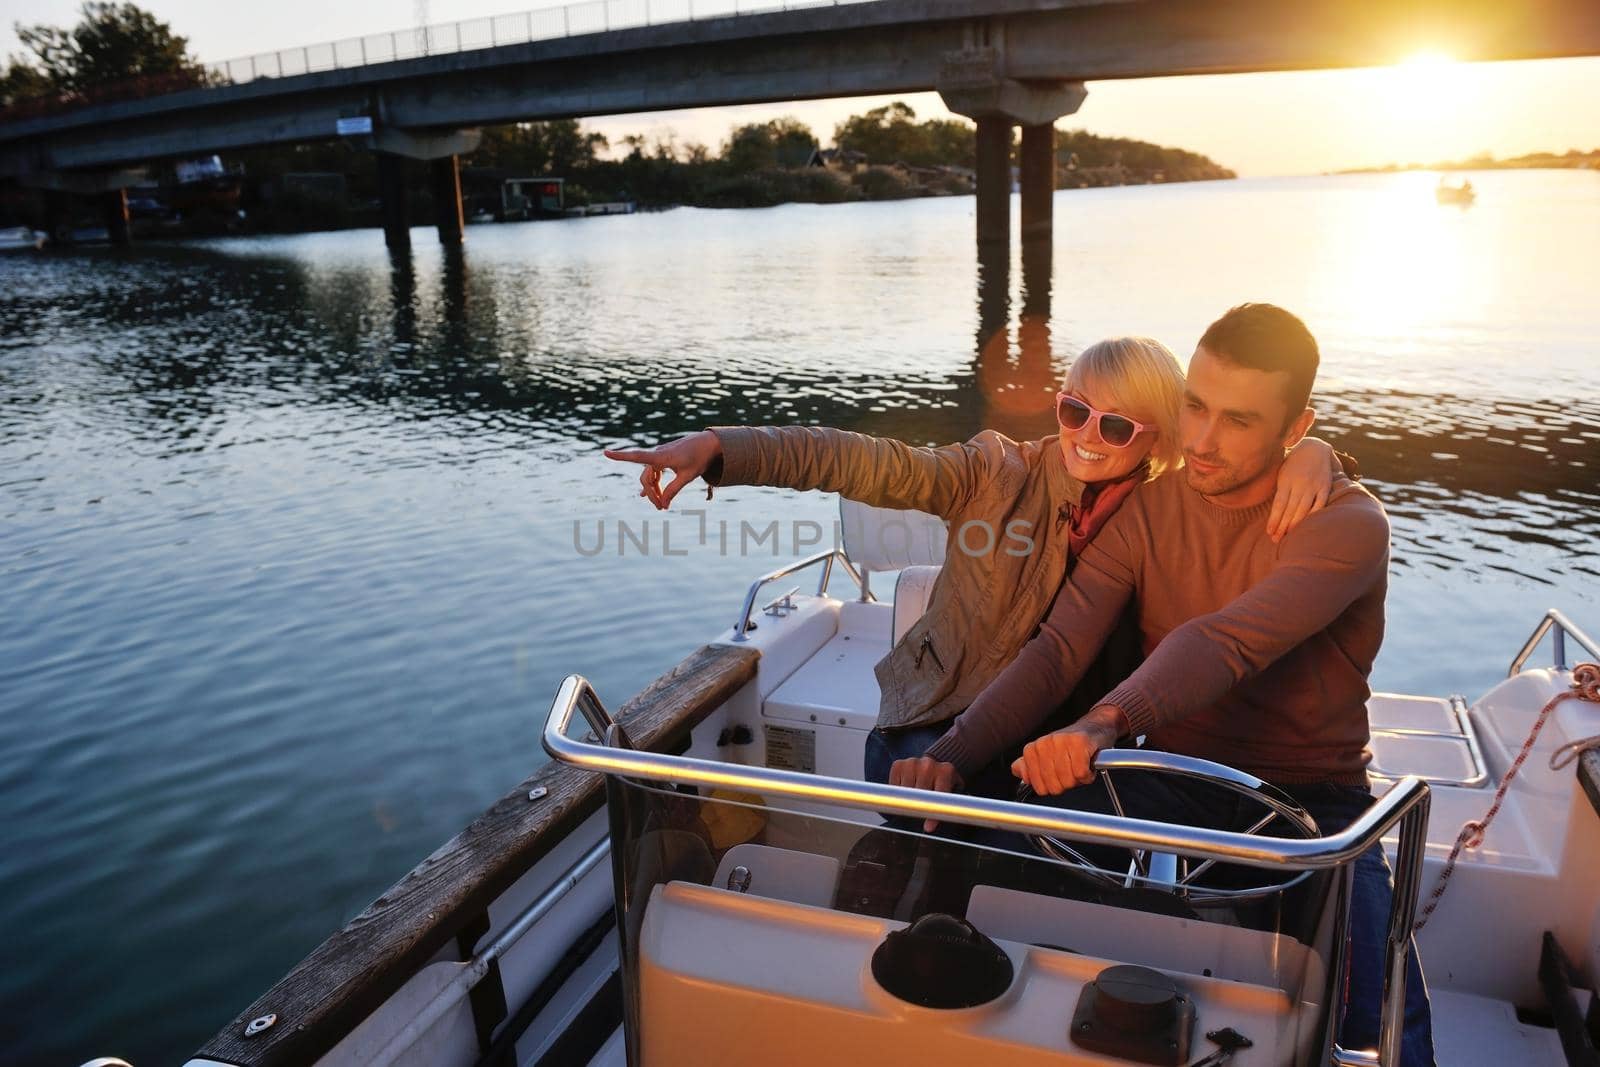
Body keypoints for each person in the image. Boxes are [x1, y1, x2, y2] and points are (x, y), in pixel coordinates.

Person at [892, 303, 1434, 1065]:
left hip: (1314, 799)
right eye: (1195, 407)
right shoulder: (1148, 508)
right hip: (1160, 776)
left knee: (1379, 1017)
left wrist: (1103, 722)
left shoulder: (1345, 523)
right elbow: (1057, 650)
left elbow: (1226, 641)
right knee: (983, 869)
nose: (1204, 440)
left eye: (1240, 420)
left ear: (1297, 427)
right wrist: (952, 751)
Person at [604, 336, 1348, 792]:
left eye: (1115, 424)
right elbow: (856, 460)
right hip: (940, 714)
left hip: (1065, 740)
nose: (1086, 436)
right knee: (920, 858)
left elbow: (1245, 444)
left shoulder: (1169, 508)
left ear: (1158, 442)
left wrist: (1316, 455)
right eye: (1073, 410)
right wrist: (722, 448)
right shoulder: (995, 472)